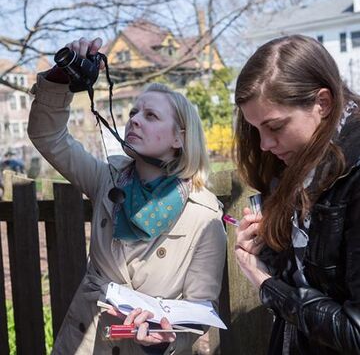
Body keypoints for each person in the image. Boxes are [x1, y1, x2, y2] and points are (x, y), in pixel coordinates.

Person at [28, 37, 227, 355]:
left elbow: (200, 311)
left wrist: (164, 341)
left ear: (179, 138)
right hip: (89, 344)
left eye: (151, 116)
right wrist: (60, 79)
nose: (133, 119)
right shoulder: (106, 180)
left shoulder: (203, 217)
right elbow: (48, 135)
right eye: (134, 112)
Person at [233, 34, 360, 354]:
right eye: (256, 129)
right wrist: (264, 250)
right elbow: (310, 279)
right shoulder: (298, 168)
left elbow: (356, 333)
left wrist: (264, 283)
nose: (264, 144)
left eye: (274, 127)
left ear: (323, 103)